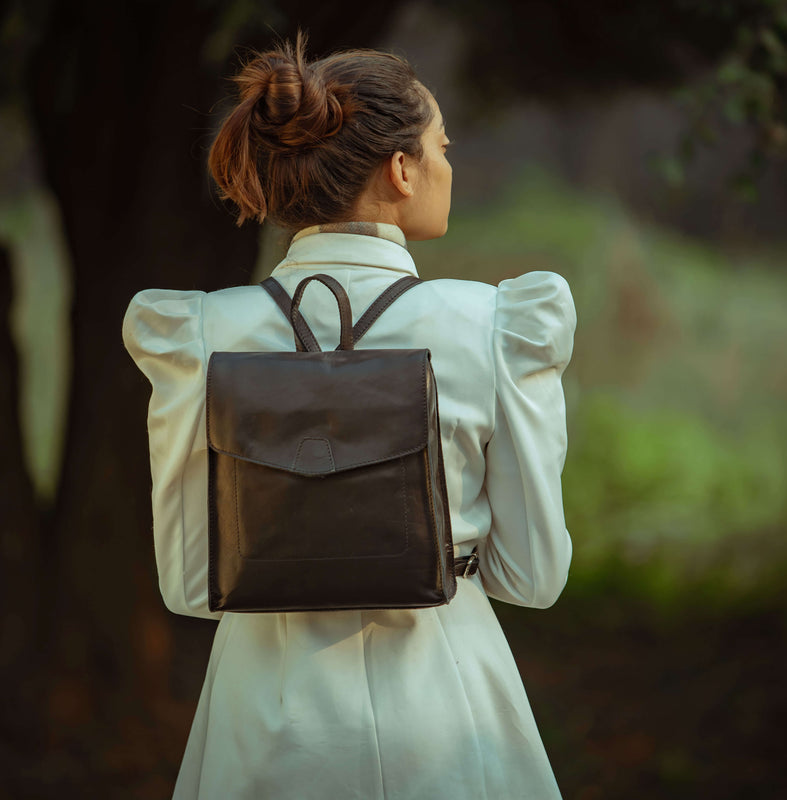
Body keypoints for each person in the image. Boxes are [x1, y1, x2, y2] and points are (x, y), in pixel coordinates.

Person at [123, 34, 575, 800]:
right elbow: (531, 577)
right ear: (401, 170)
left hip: (263, 714)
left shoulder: (195, 335)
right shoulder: (498, 326)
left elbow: (192, 587)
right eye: (442, 146)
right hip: (447, 705)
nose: (447, 164)